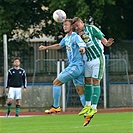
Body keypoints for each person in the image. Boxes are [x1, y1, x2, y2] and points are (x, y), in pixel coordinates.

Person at [72, 17, 114, 126]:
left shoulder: (91, 28)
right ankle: (87, 106)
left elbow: (102, 39)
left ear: (82, 23)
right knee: (87, 82)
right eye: (75, 27)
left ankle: (94, 107)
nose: (77, 28)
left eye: (78, 25)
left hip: (97, 58)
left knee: (96, 81)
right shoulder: (77, 36)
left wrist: (107, 43)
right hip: (87, 60)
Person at [39, 19, 86, 114]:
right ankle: (87, 109)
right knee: (80, 91)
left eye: (66, 25)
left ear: (72, 26)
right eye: (63, 25)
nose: (64, 27)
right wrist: (46, 47)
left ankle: (56, 106)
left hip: (75, 66)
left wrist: (82, 49)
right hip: (78, 68)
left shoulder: (75, 37)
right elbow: (59, 45)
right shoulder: (66, 38)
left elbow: (82, 46)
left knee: (56, 83)